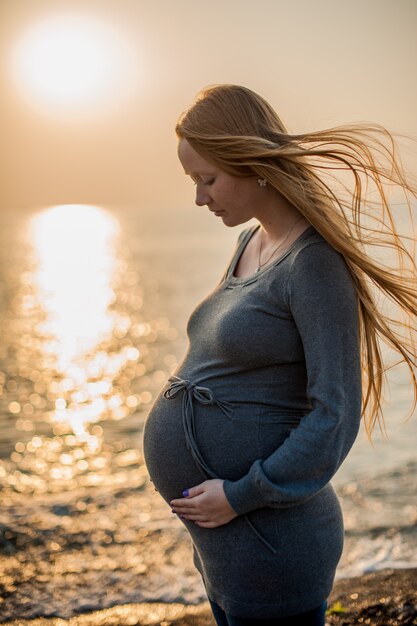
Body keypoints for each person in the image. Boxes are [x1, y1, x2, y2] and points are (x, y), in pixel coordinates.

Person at [143, 85, 417, 625]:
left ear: (252, 163)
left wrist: (240, 495)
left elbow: (333, 416)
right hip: (228, 544)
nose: (200, 198)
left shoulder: (314, 265)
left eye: (208, 179)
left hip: (273, 540)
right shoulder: (249, 242)